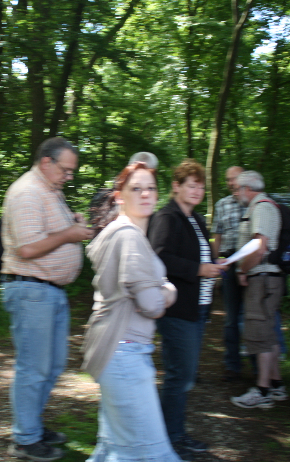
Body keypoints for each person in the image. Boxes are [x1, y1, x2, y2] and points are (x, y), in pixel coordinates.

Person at [1, 137, 96, 462]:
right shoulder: (27, 192)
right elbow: (27, 248)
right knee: (34, 367)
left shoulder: (50, 191)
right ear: (46, 162)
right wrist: (70, 234)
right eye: (65, 170)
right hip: (31, 290)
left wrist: (74, 225)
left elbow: (48, 234)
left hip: (49, 291)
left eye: (71, 172)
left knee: (52, 366)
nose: (69, 176)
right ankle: (24, 439)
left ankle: (31, 426)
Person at [82, 161, 183, 462]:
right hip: (124, 351)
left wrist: (158, 290)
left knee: (113, 450)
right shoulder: (130, 237)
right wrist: (169, 291)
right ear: (119, 196)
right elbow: (151, 305)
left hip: (114, 350)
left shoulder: (117, 232)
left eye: (151, 188)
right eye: (136, 188)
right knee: (151, 453)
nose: (145, 194)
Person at [148, 159, 227, 460]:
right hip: (177, 309)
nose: (196, 191)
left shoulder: (195, 219)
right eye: (191, 185)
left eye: (200, 187)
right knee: (179, 375)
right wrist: (199, 269)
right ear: (176, 186)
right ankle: (170, 437)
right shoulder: (167, 217)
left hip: (198, 307)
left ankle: (173, 433)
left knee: (185, 374)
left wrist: (215, 265)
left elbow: (198, 256)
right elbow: (159, 257)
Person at [230, 170, 288, 409]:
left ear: (247, 189)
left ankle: (263, 390)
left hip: (262, 279)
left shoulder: (262, 207)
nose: (235, 194)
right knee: (269, 331)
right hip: (267, 278)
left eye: (237, 189)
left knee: (260, 332)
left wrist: (242, 270)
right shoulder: (263, 206)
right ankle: (276, 384)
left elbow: (260, 248)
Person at [211, 165, 245, 381]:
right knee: (231, 318)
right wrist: (215, 264)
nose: (231, 183)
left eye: (235, 179)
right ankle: (232, 365)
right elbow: (217, 235)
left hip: (252, 265)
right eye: (228, 180)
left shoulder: (254, 202)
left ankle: (259, 367)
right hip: (229, 264)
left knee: (252, 317)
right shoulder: (222, 204)